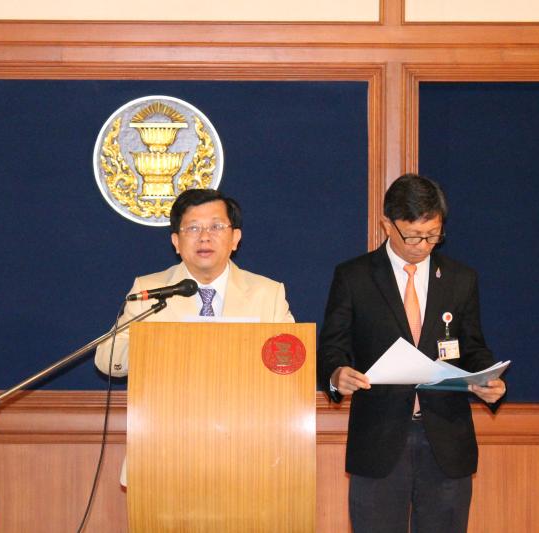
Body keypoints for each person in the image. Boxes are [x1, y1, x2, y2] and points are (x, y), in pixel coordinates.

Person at [318, 173, 506, 533]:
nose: (423, 245)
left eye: (433, 235)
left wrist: (488, 379)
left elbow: (473, 347)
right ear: (387, 224)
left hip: (446, 441)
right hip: (379, 439)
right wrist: (337, 374)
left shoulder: (460, 278)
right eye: (413, 235)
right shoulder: (354, 276)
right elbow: (332, 347)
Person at [95, 188, 295, 484]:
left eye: (216, 226)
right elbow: (107, 359)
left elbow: (292, 367)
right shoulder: (149, 290)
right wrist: (155, 347)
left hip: (248, 452)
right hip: (165, 453)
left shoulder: (268, 293)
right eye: (192, 228)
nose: (204, 237)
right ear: (176, 242)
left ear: (235, 238)